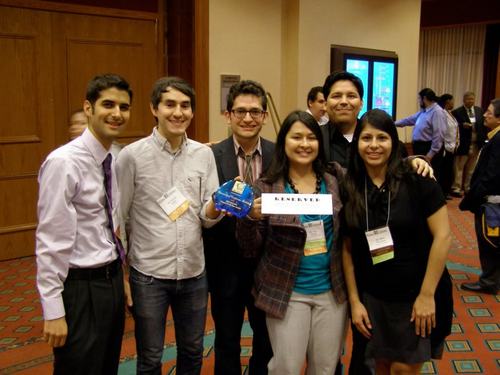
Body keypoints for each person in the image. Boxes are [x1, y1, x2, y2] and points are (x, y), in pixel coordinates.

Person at [116, 76, 223, 374]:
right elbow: (119, 219)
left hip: (193, 273)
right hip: (148, 275)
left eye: (185, 106)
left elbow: (206, 217)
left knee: (192, 351)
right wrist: (123, 277)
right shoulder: (132, 157)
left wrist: (220, 205)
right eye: (170, 104)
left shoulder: (204, 155)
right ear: (154, 108)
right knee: (150, 358)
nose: (178, 112)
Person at [341, 109, 453, 375]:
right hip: (374, 296)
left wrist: (426, 296)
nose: (374, 145)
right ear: (357, 143)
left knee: (403, 369)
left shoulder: (417, 180)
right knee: (379, 365)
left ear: (394, 141)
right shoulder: (350, 187)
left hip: (415, 295)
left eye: (382, 137)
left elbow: (443, 236)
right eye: (366, 138)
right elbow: (346, 249)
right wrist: (355, 302)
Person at [236, 110, 348, 375]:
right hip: (287, 292)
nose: (304, 144)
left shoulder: (335, 178)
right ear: (283, 142)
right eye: (296, 137)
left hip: (331, 291)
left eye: (311, 137)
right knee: (286, 367)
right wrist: (249, 219)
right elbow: (249, 248)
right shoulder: (266, 186)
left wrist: (414, 161)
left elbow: (373, 175)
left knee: (324, 367)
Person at [36, 73, 133, 374]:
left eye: (124, 107)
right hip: (79, 289)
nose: (117, 113)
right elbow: (51, 240)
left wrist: (121, 278)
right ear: (88, 108)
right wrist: (53, 309)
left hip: (110, 281)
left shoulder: (112, 160)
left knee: (106, 367)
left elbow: (108, 227)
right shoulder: (63, 162)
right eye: (108, 104)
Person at [203, 80, 273, 374]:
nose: (247, 118)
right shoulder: (208, 155)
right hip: (225, 265)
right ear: (227, 115)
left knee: (267, 341)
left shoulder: (280, 152)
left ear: (265, 116)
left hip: (268, 265)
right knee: (227, 340)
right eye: (240, 111)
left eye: (255, 112)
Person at [459, 98, 500, 295]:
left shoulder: (499, 140)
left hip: (491, 203)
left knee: (489, 243)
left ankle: (489, 282)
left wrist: (471, 198)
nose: (484, 114)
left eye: (490, 112)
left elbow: (491, 175)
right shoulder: (494, 136)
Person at [395, 88, 447, 189]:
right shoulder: (424, 111)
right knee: (420, 174)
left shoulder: (437, 112)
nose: (419, 101)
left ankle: (432, 200)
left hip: (428, 149)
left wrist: (430, 154)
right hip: (420, 148)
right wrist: (392, 123)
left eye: (419, 99)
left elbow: (439, 135)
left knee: (430, 175)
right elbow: (409, 120)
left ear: (425, 98)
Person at [451, 91, 486, 197]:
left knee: (471, 168)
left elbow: (483, 126)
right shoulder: (457, 112)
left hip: (476, 144)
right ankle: (456, 187)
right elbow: (453, 126)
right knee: (459, 167)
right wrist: (462, 125)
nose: (470, 101)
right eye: (468, 99)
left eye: (472, 99)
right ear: (464, 100)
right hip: (463, 144)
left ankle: (467, 187)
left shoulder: (479, 111)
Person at [437, 94, 459, 198]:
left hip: (452, 147)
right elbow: (442, 131)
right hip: (445, 147)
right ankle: (443, 192)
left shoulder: (450, 113)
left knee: (449, 171)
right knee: (444, 171)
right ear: (447, 102)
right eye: (452, 101)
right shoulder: (442, 114)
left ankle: (446, 190)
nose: (453, 103)